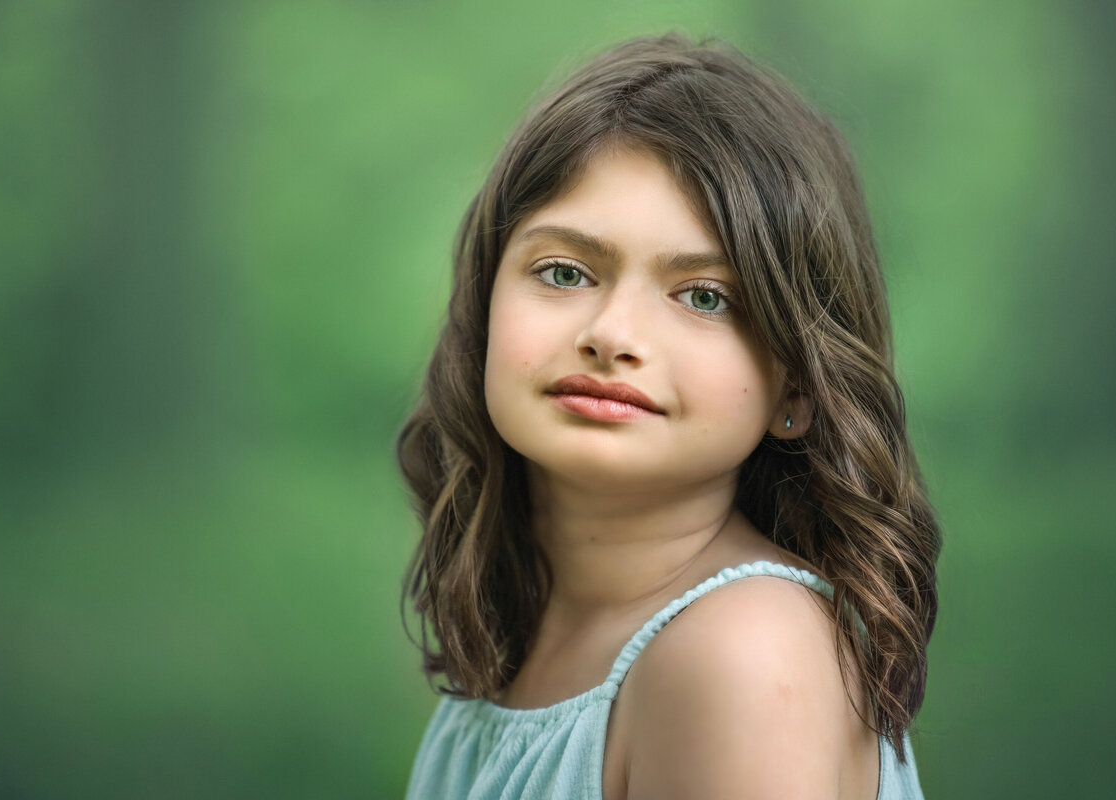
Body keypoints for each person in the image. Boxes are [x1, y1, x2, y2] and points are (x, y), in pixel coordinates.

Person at [397, 32, 940, 800]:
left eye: (705, 297)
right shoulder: (527, 633)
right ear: (485, 307)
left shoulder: (743, 657)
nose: (613, 334)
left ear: (797, 388)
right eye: (565, 272)